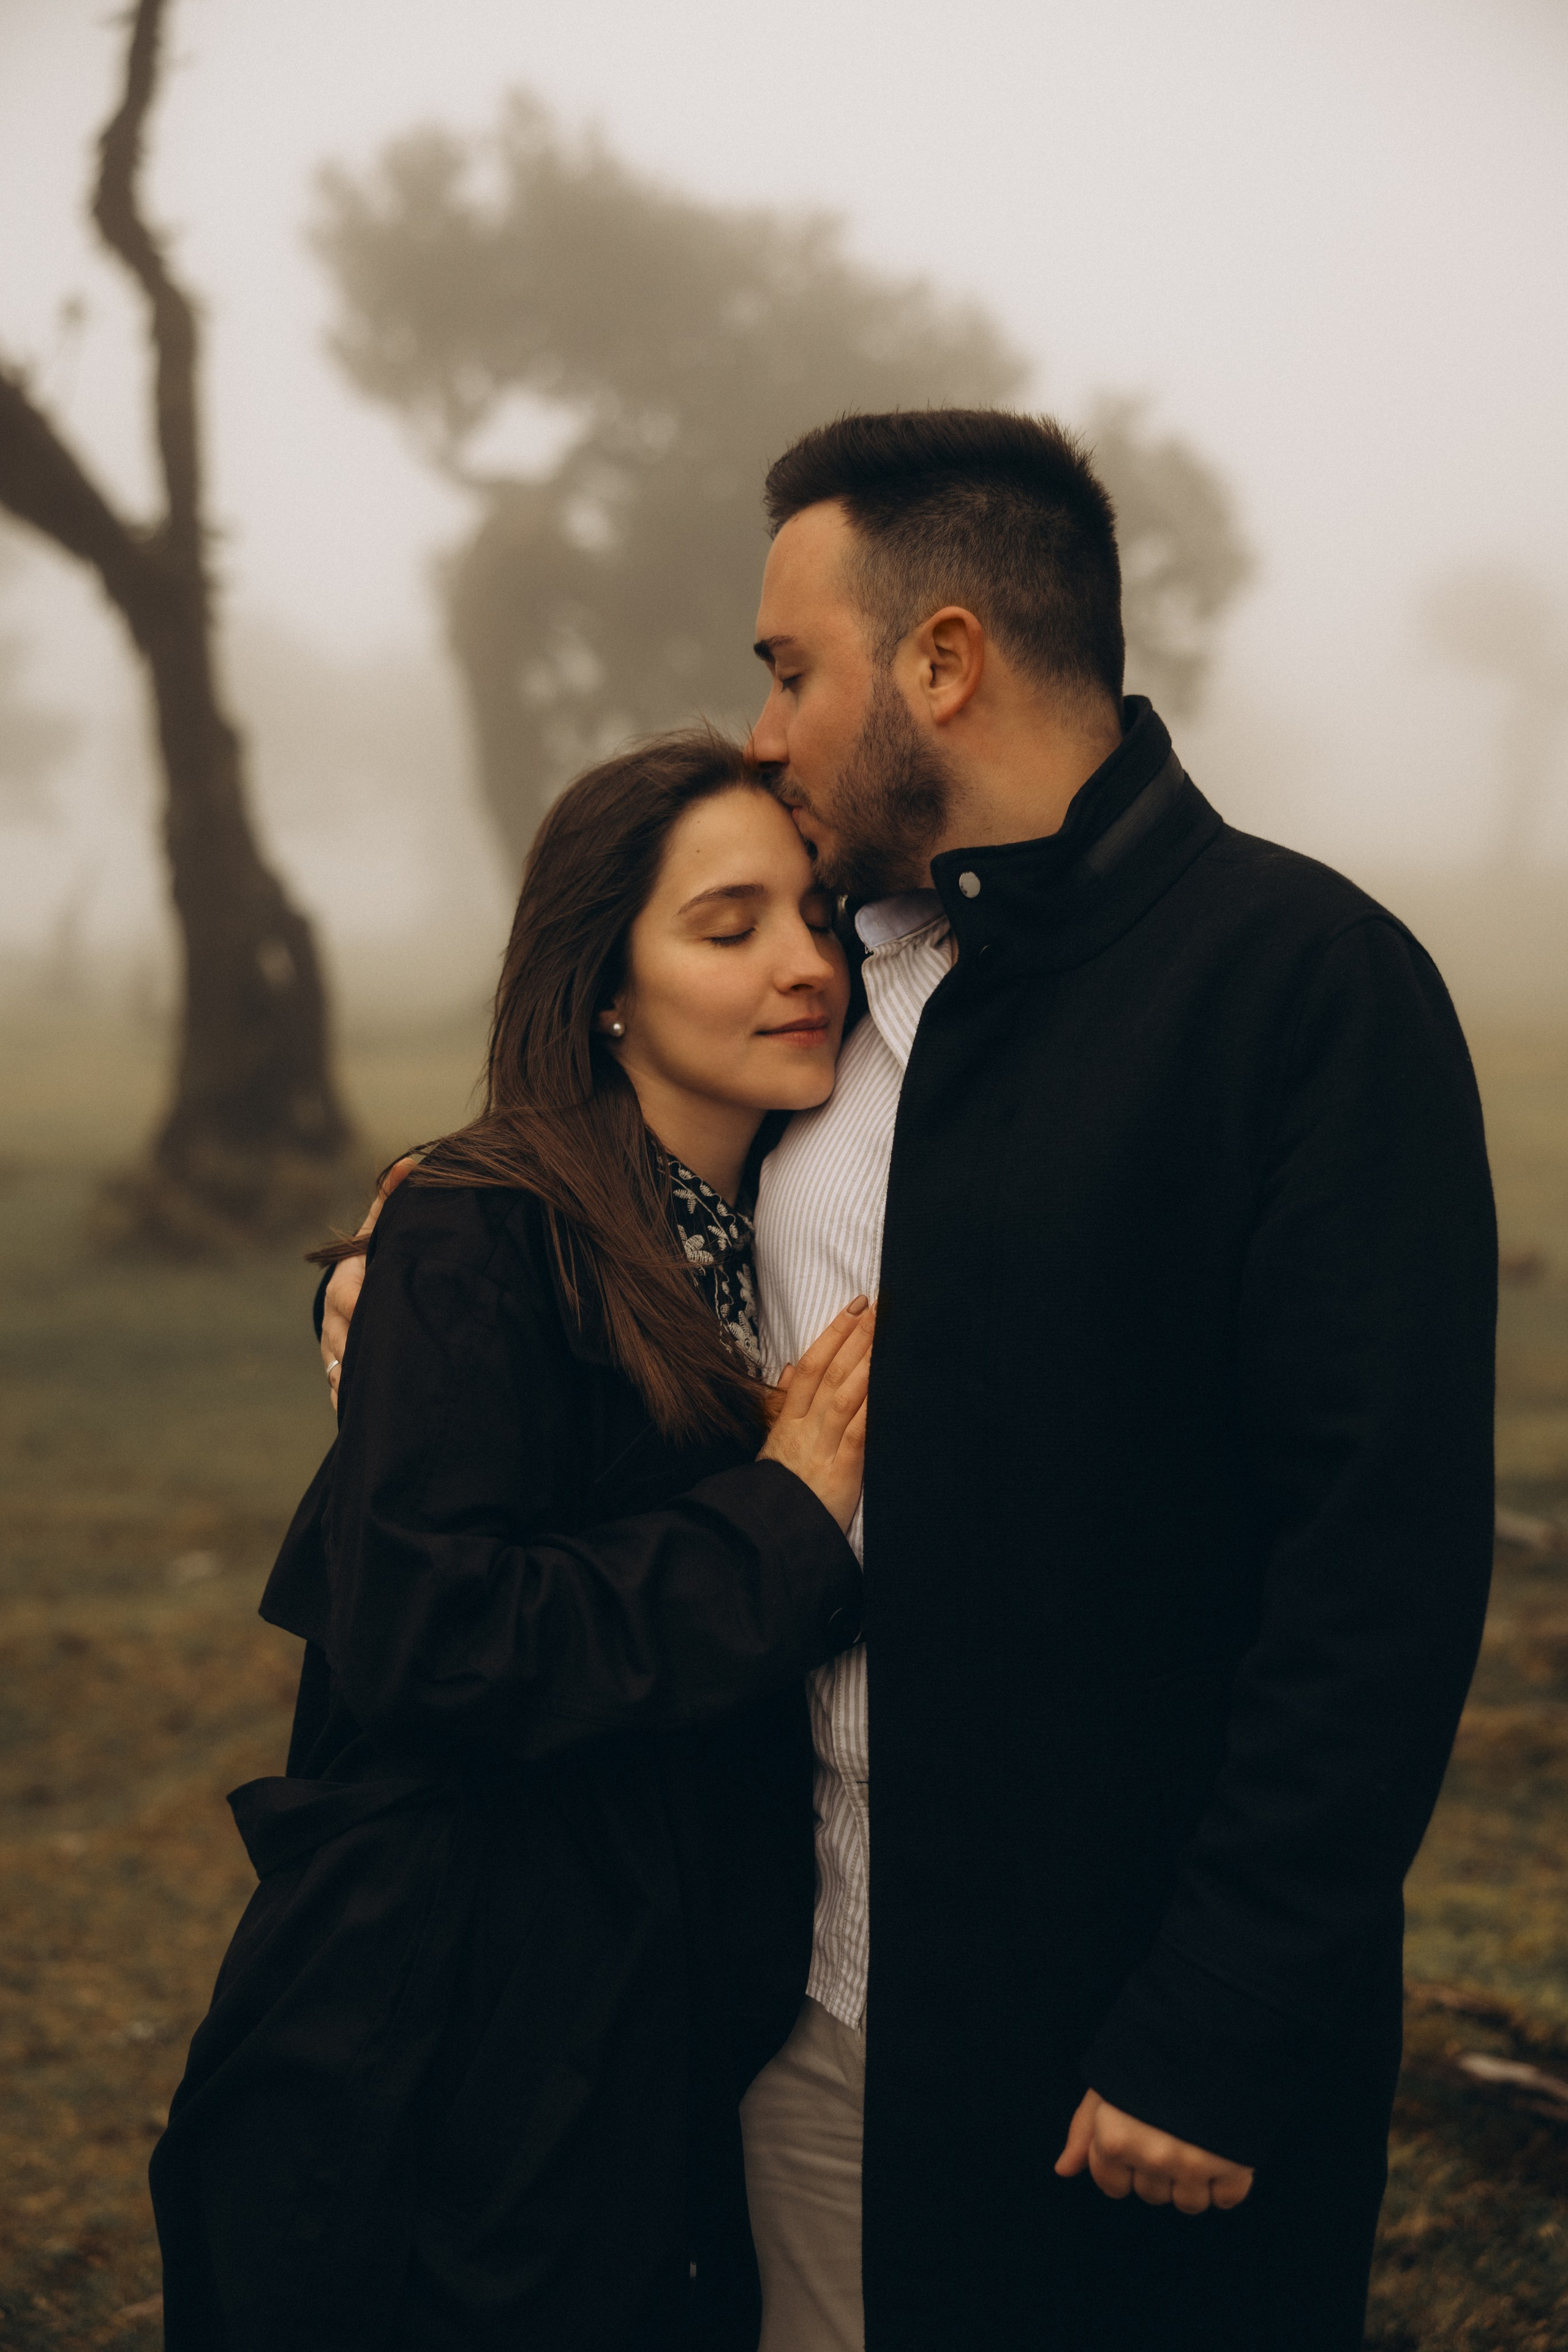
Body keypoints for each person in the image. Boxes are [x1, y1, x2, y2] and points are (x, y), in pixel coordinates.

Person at [324, 409, 1498, 2352]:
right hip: (790, 1992)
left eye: (793, 668)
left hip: (1114, 2034)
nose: (766, 725)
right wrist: (393, 1269)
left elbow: (1373, 1575)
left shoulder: (1299, 986)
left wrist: (1222, 2017)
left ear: (943, 660)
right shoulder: (838, 982)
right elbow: (598, 1206)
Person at [150, 729, 881, 2352]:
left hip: (653, 2022)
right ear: (603, 982)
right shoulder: (486, 1227)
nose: (803, 964)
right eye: (728, 924)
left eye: (821, 916)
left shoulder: (744, 1227)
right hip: (455, 2028)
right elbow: (436, 1636)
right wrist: (776, 1516)